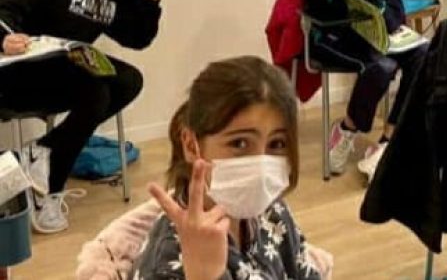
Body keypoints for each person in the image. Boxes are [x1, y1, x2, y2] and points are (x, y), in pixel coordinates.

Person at [0, 0, 171, 234]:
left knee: (128, 80)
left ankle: (41, 154)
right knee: (96, 92)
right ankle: (48, 186)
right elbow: (5, 8)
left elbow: (137, 38)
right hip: (18, 72)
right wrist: (5, 38)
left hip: (64, 72)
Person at [132, 56, 324, 280]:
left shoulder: (271, 210)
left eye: (276, 144)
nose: (261, 168)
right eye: (239, 143)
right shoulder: (167, 267)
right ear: (191, 145)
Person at [296, 0, 428, 178]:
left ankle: (389, 138)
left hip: (374, 35)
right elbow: (317, 7)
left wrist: (385, 25)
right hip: (331, 37)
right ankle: (346, 130)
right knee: (383, 66)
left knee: (424, 54)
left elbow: (393, 1)